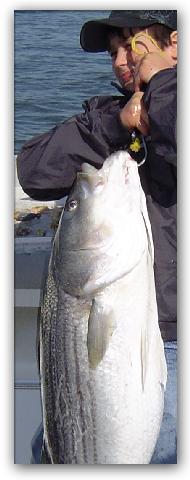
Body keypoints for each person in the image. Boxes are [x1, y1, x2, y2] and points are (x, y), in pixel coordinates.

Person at [17, 10, 177, 464]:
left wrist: (163, 83)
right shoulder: (106, 119)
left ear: (175, 44)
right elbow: (33, 171)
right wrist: (116, 125)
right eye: (115, 53)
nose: (123, 60)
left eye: (135, 45)